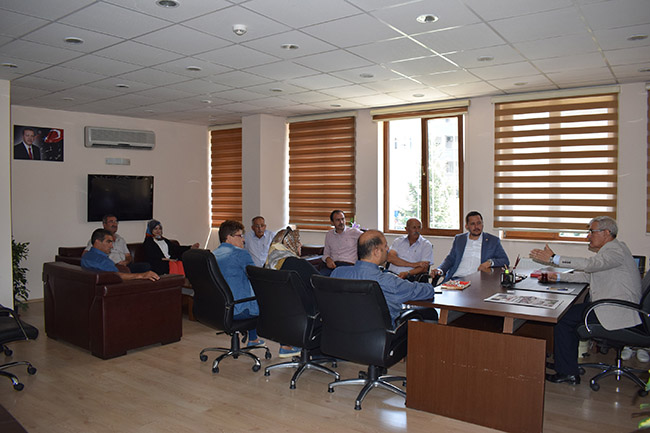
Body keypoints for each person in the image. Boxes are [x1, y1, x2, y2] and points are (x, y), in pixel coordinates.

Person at [529, 216, 642, 385]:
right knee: (567, 315)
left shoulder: (615, 251)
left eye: (591, 232)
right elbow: (589, 275)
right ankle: (566, 364)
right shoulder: (613, 250)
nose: (588, 236)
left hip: (615, 309)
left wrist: (554, 258)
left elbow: (589, 265)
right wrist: (558, 277)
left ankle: (567, 372)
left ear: (606, 233)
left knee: (563, 319)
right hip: (609, 305)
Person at [332, 229, 437, 327]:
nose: (388, 249)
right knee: (430, 314)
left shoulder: (337, 273)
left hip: (341, 333)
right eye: (385, 246)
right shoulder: (389, 281)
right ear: (376, 251)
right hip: (382, 335)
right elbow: (428, 291)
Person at [265, 226, 317, 358]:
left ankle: (286, 345)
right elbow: (321, 282)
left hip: (277, 317)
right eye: (298, 242)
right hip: (302, 316)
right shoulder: (296, 263)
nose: (301, 245)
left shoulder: (269, 263)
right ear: (289, 244)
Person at [212, 220, 263, 346]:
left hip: (217, 309)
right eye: (240, 236)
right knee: (269, 301)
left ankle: (253, 339)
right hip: (237, 310)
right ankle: (286, 346)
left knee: (249, 294)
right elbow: (257, 278)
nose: (243, 240)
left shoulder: (212, 255)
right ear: (229, 237)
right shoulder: (240, 254)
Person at [433, 211, 509, 282]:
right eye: (472, 224)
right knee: (431, 291)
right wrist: (440, 270)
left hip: (478, 281)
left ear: (482, 224)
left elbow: (505, 260)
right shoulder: (459, 239)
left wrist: (490, 262)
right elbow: (450, 259)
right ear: (467, 226)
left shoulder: (492, 241)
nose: (476, 227)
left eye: (479, 223)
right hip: (456, 280)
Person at [81, 228, 159, 281]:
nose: (111, 246)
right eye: (108, 242)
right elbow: (117, 276)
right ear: (97, 242)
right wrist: (142, 275)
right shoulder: (103, 261)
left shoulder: (86, 257)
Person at [83, 214, 150, 273]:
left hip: (125, 265)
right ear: (104, 224)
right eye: (111, 221)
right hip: (111, 266)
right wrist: (110, 263)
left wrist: (126, 262)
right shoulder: (99, 239)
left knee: (146, 266)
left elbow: (128, 256)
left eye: (116, 222)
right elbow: (86, 255)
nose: (114, 224)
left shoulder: (121, 239)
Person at [321, 210, 362, 276]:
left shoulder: (354, 232)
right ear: (332, 222)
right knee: (318, 277)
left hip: (348, 266)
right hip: (334, 266)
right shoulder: (329, 234)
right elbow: (326, 254)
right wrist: (327, 259)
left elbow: (369, 237)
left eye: (342, 219)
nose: (341, 222)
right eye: (338, 220)